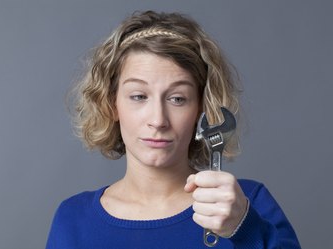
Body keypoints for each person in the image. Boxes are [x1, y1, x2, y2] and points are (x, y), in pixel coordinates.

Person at [46, 11, 301, 249]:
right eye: (138, 96)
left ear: (202, 109)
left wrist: (245, 228)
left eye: (178, 99)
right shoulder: (72, 219)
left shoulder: (247, 204)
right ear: (111, 104)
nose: (158, 120)